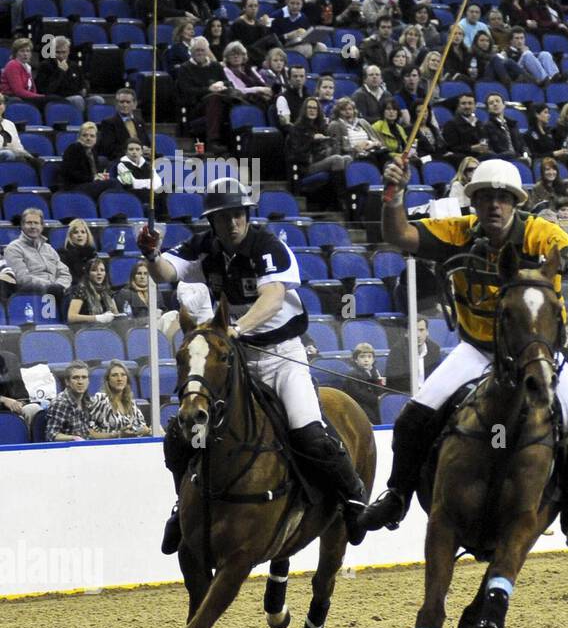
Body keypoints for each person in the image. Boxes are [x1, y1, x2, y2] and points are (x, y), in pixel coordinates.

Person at [356, 160, 568, 561]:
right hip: (478, 348)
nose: (494, 206)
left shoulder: (539, 232)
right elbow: (398, 234)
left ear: (514, 203)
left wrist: (564, 262)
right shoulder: (458, 232)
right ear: (473, 201)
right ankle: (398, 495)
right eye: (485, 197)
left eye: (502, 198)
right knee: (411, 420)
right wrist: (394, 195)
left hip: (537, 354)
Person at [137, 179, 371, 552]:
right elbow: (168, 272)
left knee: (307, 429)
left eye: (239, 215)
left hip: (281, 356)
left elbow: (274, 298)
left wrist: (237, 328)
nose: (233, 223)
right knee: (185, 435)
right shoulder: (205, 247)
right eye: (225, 217)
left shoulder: (268, 247)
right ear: (213, 222)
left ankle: (354, 498)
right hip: (237, 358)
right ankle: (183, 506)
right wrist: (151, 255)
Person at [4, 208, 72, 299]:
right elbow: (23, 279)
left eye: (36, 223)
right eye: (29, 223)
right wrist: (50, 286)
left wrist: (61, 286)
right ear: (22, 225)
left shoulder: (49, 248)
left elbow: (64, 273)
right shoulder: (13, 248)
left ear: (42, 226)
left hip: (58, 291)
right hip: (32, 295)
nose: (33, 226)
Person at [89, 359, 149, 438]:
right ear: (108, 380)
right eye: (114, 375)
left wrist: (142, 430)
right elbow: (88, 432)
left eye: (123, 375)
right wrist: (116, 435)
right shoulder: (100, 399)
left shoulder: (131, 403)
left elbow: (143, 426)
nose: (119, 379)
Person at [385, 317, 441, 395]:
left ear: (427, 332)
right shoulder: (397, 351)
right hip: (406, 396)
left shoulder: (434, 349)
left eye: (421, 330)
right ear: (406, 333)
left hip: (429, 395)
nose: (418, 335)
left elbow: (438, 377)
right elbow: (395, 382)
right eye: (414, 331)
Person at [45, 362, 96, 441]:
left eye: (84, 377)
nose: (80, 382)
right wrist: (73, 438)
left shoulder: (88, 401)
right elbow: (51, 435)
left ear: (88, 381)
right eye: (75, 378)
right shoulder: (60, 403)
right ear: (67, 382)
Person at [340, 342, 384, 425]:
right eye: (362, 357)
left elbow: (381, 389)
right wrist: (377, 399)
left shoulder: (377, 372)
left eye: (369, 357)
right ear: (356, 360)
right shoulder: (352, 374)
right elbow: (358, 394)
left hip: (373, 404)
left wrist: (375, 374)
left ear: (373, 359)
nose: (366, 360)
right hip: (358, 406)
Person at [66, 257, 119, 325]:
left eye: (102, 270)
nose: (99, 273)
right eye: (94, 270)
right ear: (88, 274)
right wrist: (97, 318)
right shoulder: (81, 289)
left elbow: (115, 313)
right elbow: (71, 317)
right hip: (85, 329)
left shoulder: (107, 291)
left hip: (107, 329)